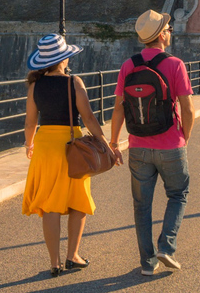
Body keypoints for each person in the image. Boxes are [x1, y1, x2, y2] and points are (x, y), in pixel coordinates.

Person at [21, 34, 122, 278]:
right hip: (71, 146)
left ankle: (54, 263)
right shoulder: (74, 82)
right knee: (78, 201)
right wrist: (106, 144)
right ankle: (72, 256)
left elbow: (30, 122)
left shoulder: (35, 86)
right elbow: (88, 117)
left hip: (45, 146)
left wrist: (29, 144)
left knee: (50, 204)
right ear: (64, 59)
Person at [110, 10, 195, 276]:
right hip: (170, 144)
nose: (171, 32)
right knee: (178, 194)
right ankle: (166, 247)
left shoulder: (128, 65)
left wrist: (114, 142)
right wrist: (185, 136)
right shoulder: (175, 64)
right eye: (168, 28)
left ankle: (147, 263)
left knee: (141, 206)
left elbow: (118, 109)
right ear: (161, 35)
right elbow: (188, 108)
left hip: (137, 146)